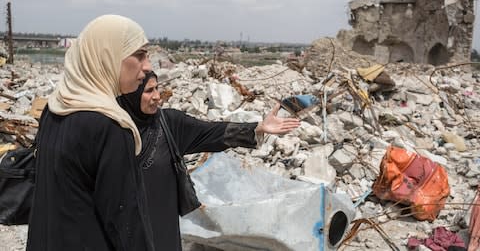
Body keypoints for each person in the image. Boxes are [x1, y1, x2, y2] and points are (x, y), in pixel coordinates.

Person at [117, 71, 301, 250]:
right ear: (130, 92)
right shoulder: (110, 129)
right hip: (122, 228)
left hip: (162, 229)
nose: (157, 96)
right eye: (149, 91)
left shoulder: (168, 124)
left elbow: (211, 131)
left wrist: (259, 127)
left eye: (157, 88)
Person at [27, 15, 155, 251]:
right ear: (108, 57)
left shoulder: (55, 109)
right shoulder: (110, 128)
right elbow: (125, 223)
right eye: (139, 55)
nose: (147, 66)